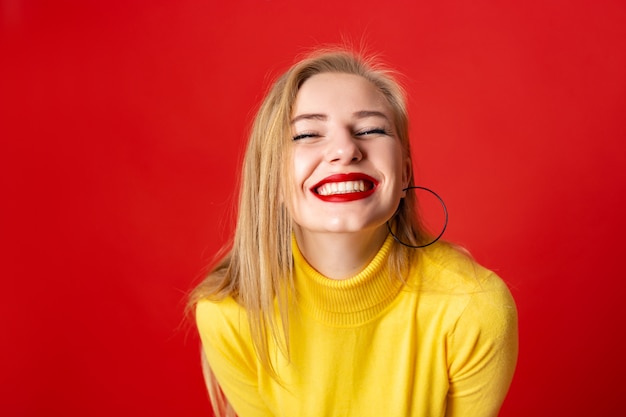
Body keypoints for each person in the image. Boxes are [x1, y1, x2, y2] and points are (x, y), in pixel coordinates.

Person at [189, 48, 518, 417]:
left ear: (405, 172)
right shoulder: (228, 314)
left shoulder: (474, 310)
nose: (345, 150)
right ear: (273, 180)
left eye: (370, 130)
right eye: (308, 134)